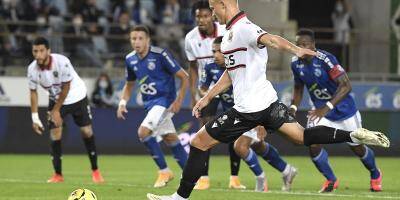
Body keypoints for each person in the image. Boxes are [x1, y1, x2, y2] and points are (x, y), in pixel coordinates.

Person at [146, 0, 389, 199]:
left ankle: (179, 198)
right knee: (301, 137)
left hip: (247, 109)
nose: (211, 13)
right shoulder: (231, 34)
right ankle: (354, 136)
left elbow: (271, 39)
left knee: (199, 143)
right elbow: (231, 74)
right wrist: (206, 97)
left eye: (212, 7)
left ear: (223, 5)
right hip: (268, 104)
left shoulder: (243, 27)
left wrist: (296, 50)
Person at [200, 36, 298, 192]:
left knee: (240, 146)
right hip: (237, 115)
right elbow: (203, 88)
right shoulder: (210, 67)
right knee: (258, 145)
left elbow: (258, 94)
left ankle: (261, 178)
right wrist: (209, 95)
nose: (216, 55)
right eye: (214, 51)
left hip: (253, 110)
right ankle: (287, 170)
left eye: (220, 51)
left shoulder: (242, 69)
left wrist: (261, 123)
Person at [290, 29, 383, 193]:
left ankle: (375, 173)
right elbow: (298, 88)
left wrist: (327, 108)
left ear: (313, 45)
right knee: (312, 142)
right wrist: (293, 107)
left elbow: (346, 85)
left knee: (357, 147)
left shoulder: (326, 60)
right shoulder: (295, 63)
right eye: (298, 45)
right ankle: (331, 180)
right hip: (320, 111)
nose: (301, 48)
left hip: (344, 110)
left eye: (305, 45)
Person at [117, 25, 189, 188]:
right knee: (170, 137)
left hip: (164, 101)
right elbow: (129, 85)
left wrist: (179, 100)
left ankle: (164, 171)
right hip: (150, 104)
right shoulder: (130, 59)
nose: (137, 42)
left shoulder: (160, 55)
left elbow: (184, 76)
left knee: (143, 132)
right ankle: (192, 175)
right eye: (133, 38)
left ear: (148, 40)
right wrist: (122, 103)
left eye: (140, 38)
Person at [184, 0, 243, 190]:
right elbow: (192, 67)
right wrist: (194, 94)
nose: (201, 20)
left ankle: (234, 178)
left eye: (205, 15)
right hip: (207, 89)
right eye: (198, 17)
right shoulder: (190, 39)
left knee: (234, 127)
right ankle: (204, 177)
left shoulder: (227, 30)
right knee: (205, 130)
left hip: (228, 85)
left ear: (212, 14)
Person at [28, 37, 104, 183]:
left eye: (41, 51)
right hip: (55, 98)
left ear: (48, 51)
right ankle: (58, 175)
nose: (38, 54)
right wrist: (35, 117)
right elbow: (33, 91)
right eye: (35, 51)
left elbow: (66, 87)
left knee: (86, 131)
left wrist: (56, 110)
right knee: (55, 133)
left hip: (76, 96)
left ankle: (95, 171)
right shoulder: (32, 69)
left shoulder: (61, 62)